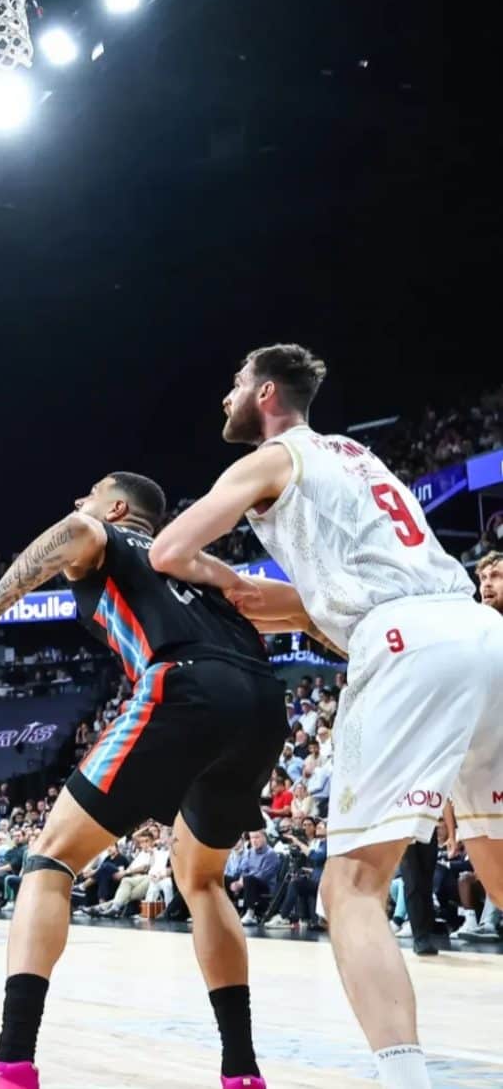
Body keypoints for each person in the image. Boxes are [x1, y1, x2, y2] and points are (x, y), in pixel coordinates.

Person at [149, 343, 503, 1089]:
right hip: (479, 632)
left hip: (406, 643)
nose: (225, 396)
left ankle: (404, 1081)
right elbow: (313, 605)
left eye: (236, 383)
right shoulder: (360, 459)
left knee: (350, 889)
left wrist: (215, 577)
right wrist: (251, 595)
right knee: (499, 864)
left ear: (266, 393)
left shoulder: (272, 458)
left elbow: (169, 550)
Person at [0, 472, 289, 1089]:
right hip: (261, 702)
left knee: (49, 859)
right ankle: (242, 1072)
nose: (79, 501)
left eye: (92, 492)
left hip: (185, 684)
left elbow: (74, 528)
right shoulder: (202, 568)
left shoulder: (110, 537)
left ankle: (12, 1060)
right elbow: (296, 611)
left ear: (119, 508)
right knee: (202, 880)